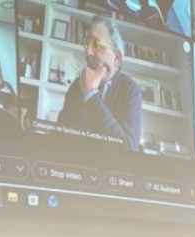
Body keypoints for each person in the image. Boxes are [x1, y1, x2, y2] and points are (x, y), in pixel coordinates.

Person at [58, 16, 143, 151]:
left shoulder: (131, 89)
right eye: (87, 44)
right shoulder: (76, 86)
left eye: (97, 45)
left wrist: (91, 94)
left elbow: (129, 148)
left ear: (117, 58)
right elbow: (60, 135)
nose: (88, 51)